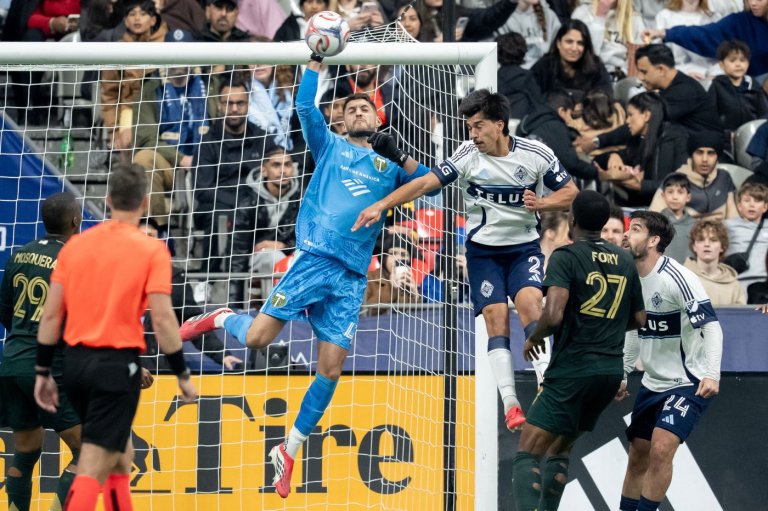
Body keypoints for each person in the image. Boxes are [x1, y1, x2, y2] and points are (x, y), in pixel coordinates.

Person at [179, 53, 432, 498]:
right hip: (313, 259)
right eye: (349, 109)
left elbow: (432, 181)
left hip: (352, 277)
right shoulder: (329, 146)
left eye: (365, 108)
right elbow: (302, 108)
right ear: (340, 120)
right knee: (257, 338)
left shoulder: (390, 167)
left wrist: (398, 166)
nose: (356, 112)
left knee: (331, 369)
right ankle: (221, 316)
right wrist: (315, 61)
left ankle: (289, 449)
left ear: (378, 117)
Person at [353, 88, 579, 428]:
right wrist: (382, 205)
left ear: (500, 125)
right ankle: (512, 403)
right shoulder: (466, 154)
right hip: (483, 251)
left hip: (523, 248)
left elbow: (571, 192)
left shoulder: (536, 153)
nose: (472, 135)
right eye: (468, 127)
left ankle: (547, 382)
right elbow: (426, 182)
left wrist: (543, 204)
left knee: (532, 304)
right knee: (495, 316)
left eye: (478, 126)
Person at [33, 164, 197, 511]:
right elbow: (164, 319)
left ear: (107, 201)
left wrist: (43, 372)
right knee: (94, 459)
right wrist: (182, 374)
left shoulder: (75, 247)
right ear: (145, 203)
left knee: (122, 456)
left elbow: (51, 314)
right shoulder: (151, 250)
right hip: (116, 366)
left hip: (74, 365)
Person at [512, 190, 646, 511]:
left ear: (572, 220)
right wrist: (608, 326)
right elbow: (639, 318)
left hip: (573, 368)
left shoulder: (565, 256)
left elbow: (554, 315)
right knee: (560, 450)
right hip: (609, 373)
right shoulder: (625, 259)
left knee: (527, 453)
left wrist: (534, 338)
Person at [618, 210, 723, 511]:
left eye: (635, 229)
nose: (626, 235)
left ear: (653, 240)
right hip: (653, 382)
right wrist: (624, 372)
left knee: (662, 447)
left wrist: (711, 374)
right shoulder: (629, 277)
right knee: (638, 453)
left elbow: (711, 327)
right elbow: (634, 329)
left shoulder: (678, 278)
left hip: (688, 381)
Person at [0, 193, 83, 511]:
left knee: (26, 447)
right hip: (48, 366)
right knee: (89, 450)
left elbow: (5, 311)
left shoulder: (19, 255)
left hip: (12, 360)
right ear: (76, 221)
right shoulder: (73, 262)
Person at [193, 77, 277, 274]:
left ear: (248, 105)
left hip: (257, 206)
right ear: (220, 106)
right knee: (218, 214)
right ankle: (208, 278)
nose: (234, 109)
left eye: (240, 103)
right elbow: (203, 189)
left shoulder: (262, 139)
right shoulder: (207, 142)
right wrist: (238, 204)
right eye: (228, 103)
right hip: (218, 206)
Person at [577, 44, 723, 154]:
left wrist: (597, 141)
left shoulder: (685, 91)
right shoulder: (673, 87)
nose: (640, 78)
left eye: (644, 72)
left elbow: (641, 122)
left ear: (660, 70)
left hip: (702, 156)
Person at [138, 219, 243, 370]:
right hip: (123, 366)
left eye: (151, 235)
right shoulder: (117, 275)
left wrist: (221, 354)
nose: (146, 240)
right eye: (141, 235)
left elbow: (192, 321)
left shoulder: (174, 277)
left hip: (159, 369)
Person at [132, 52, 208, 231]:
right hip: (170, 166)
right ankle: (158, 229)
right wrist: (181, 158)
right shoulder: (150, 89)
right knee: (144, 159)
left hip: (210, 163)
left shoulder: (211, 85)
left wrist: (205, 159)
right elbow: (146, 139)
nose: (179, 60)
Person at [230, 149, 302, 305]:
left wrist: (284, 245)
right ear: (264, 170)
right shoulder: (247, 202)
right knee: (272, 256)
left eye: (287, 165)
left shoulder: (302, 199)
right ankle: (278, 309)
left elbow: (312, 237)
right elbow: (238, 252)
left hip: (293, 253)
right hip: (255, 258)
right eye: (276, 165)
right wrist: (235, 306)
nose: (283, 170)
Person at [596, 92, 688, 207]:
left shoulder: (670, 139)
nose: (627, 121)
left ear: (646, 116)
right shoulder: (638, 140)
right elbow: (598, 160)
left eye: (630, 115)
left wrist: (640, 185)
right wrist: (613, 155)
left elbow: (671, 184)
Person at [100, 0, 168, 151]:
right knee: (126, 141)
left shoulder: (168, 45)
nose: (137, 19)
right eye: (132, 14)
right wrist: (114, 131)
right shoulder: (118, 50)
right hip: (130, 108)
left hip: (164, 106)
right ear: (125, 21)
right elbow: (109, 94)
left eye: (143, 14)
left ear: (153, 20)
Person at [641, 0, 768, 81]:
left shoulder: (711, 15)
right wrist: (665, 33)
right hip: (749, 83)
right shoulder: (740, 21)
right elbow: (706, 34)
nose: (753, 3)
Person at [649, 131, 739, 220]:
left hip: (721, 231)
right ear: (691, 155)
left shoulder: (724, 178)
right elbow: (654, 219)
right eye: (699, 152)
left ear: (717, 157)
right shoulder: (674, 179)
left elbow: (734, 219)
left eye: (710, 153)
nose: (705, 159)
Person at [530, 19, 613, 100]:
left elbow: (605, 96)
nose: (574, 48)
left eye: (580, 43)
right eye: (569, 42)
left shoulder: (596, 67)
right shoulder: (543, 66)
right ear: (558, 43)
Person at [571, 0, 645, 79]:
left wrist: (623, 76)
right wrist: (599, 17)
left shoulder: (635, 19)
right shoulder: (582, 13)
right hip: (588, 74)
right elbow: (591, 53)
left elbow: (638, 58)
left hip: (620, 76)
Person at [708, 40, 768, 133]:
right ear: (721, 65)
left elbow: (764, 114)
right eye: (732, 60)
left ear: (748, 63)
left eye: (743, 60)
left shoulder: (753, 86)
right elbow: (710, 117)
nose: (738, 64)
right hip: (725, 136)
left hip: (752, 134)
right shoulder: (716, 86)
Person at [653, 0, 721, 79]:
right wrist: (681, 74)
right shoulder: (664, 16)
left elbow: (724, 54)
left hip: (711, 75)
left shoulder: (714, 17)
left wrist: (713, 75)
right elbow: (657, 57)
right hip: (678, 75)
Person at [684, 219, 746, 305]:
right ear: (694, 246)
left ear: (722, 247)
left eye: (713, 240)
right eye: (701, 239)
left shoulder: (733, 285)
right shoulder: (681, 279)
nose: (707, 244)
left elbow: (740, 317)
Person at [724, 182, 768, 292]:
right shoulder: (727, 226)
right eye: (747, 201)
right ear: (739, 206)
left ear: (765, 207)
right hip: (738, 282)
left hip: (764, 283)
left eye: (757, 201)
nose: (751, 205)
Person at [492, 0, 561, 69]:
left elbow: (559, 49)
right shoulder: (500, 18)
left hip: (544, 72)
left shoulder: (549, 15)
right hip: (517, 75)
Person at [656, 173, 696, 263]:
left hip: (689, 272)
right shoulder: (656, 222)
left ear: (688, 197)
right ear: (663, 196)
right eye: (670, 192)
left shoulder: (695, 225)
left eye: (680, 192)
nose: (675, 197)